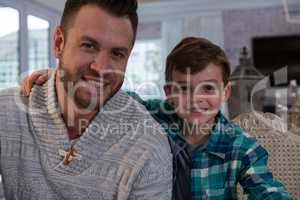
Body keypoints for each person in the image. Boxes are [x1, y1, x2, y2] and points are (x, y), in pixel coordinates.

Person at [22, 37, 292, 199]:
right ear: (169, 93)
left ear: (225, 92)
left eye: (208, 88)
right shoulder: (155, 115)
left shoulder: (241, 147)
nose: (195, 99)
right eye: (183, 88)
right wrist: (60, 79)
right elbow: (109, 95)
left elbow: (267, 191)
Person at [0, 0, 173, 199]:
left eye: (117, 53)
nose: (101, 68)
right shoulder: (5, 113)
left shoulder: (149, 145)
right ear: (59, 43)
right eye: (88, 45)